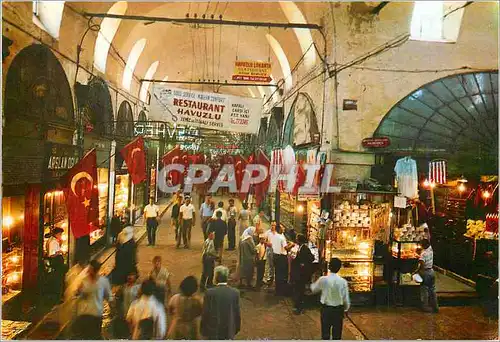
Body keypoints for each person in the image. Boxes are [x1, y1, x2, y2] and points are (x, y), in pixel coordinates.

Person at [310, 257, 350, 340]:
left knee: (325, 334)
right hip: (338, 311)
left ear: (329, 266)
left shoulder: (323, 279)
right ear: (339, 268)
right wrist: (346, 309)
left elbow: (313, 289)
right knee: (337, 335)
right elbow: (346, 299)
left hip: (326, 310)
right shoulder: (343, 282)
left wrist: (313, 280)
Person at [73, 260, 113, 339]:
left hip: (96, 314)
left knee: (94, 336)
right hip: (83, 313)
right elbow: (77, 293)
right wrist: (79, 292)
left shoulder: (103, 281)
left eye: (90, 269)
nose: (88, 270)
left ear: (95, 270)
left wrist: (113, 307)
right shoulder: (84, 280)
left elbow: (109, 297)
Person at [201, 266, 241, 340]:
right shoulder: (235, 293)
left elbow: (205, 313)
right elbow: (237, 313)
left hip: (213, 332)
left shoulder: (209, 293)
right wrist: (236, 328)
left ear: (216, 277)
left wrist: (203, 331)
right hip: (229, 331)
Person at [413, 239, 439, 313]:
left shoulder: (423, 254)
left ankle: (425, 307)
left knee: (424, 290)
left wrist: (416, 271)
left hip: (426, 272)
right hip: (431, 271)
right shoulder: (430, 250)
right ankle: (435, 306)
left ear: (423, 245)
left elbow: (422, 265)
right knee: (433, 290)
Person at [291, 234, 315, 314]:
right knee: (298, 289)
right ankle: (298, 305)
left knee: (300, 290)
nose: (296, 240)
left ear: (299, 240)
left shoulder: (305, 249)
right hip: (299, 272)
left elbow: (311, 258)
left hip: (302, 273)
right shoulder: (301, 248)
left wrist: (304, 264)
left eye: (297, 239)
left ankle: (299, 307)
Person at [114, 271, 140, 339]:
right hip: (126, 311)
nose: (129, 277)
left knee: (134, 329)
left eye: (132, 275)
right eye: (129, 275)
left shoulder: (138, 287)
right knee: (128, 329)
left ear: (135, 277)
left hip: (135, 312)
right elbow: (117, 297)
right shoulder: (124, 286)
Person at [267, 222, 288, 295]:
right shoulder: (281, 237)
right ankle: (280, 291)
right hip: (281, 257)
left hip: (275, 255)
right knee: (281, 274)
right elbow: (286, 248)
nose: (284, 228)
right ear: (279, 229)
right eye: (282, 227)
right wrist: (292, 245)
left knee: (277, 273)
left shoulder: (275, 235)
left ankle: (277, 289)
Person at [45, 227, 66, 301]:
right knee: (59, 280)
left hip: (57, 262)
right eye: (60, 234)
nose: (61, 235)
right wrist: (60, 252)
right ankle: (59, 297)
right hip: (57, 263)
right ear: (56, 234)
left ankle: (59, 296)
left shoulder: (54, 241)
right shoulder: (53, 242)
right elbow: (51, 254)